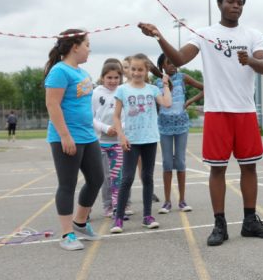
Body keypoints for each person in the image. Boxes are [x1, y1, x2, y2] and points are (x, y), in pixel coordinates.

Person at [139, 0, 263, 246]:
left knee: (249, 167)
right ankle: (219, 225)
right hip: (217, 113)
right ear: (220, 4)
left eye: (240, 2)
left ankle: (250, 221)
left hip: (245, 111)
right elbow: (179, 59)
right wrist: (159, 35)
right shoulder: (204, 34)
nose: (236, 6)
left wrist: (249, 59)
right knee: (218, 170)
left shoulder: (253, 35)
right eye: (231, 1)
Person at [44, 29, 104, 251]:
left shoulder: (83, 72)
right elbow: (52, 105)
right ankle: (67, 234)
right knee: (67, 185)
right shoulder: (59, 72)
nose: (89, 49)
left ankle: (80, 221)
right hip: (67, 137)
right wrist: (65, 136)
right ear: (75, 46)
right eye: (87, 44)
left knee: (96, 178)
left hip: (88, 136)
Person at [110, 53, 171, 233]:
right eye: (134, 69)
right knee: (127, 178)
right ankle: (118, 218)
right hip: (131, 139)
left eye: (141, 70)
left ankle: (147, 216)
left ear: (146, 71)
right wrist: (121, 135)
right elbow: (116, 116)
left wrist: (165, 84)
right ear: (130, 71)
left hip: (150, 138)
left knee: (147, 177)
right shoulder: (122, 90)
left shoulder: (152, 89)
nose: (137, 73)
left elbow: (167, 103)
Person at [156, 53, 204, 214]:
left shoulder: (183, 77)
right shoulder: (157, 83)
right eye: (168, 63)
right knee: (167, 162)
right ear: (162, 66)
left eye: (174, 62)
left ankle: (182, 201)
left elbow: (205, 88)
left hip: (182, 125)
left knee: (181, 162)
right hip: (164, 126)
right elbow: (155, 105)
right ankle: (167, 201)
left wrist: (189, 101)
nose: (172, 65)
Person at [92, 60, 124, 218]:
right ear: (102, 77)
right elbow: (91, 117)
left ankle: (118, 206)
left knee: (117, 176)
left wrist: (118, 128)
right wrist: (105, 128)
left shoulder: (123, 92)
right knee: (103, 177)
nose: (112, 81)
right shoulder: (95, 93)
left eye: (116, 77)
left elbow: (127, 116)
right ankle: (107, 206)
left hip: (117, 142)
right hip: (100, 142)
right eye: (109, 77)